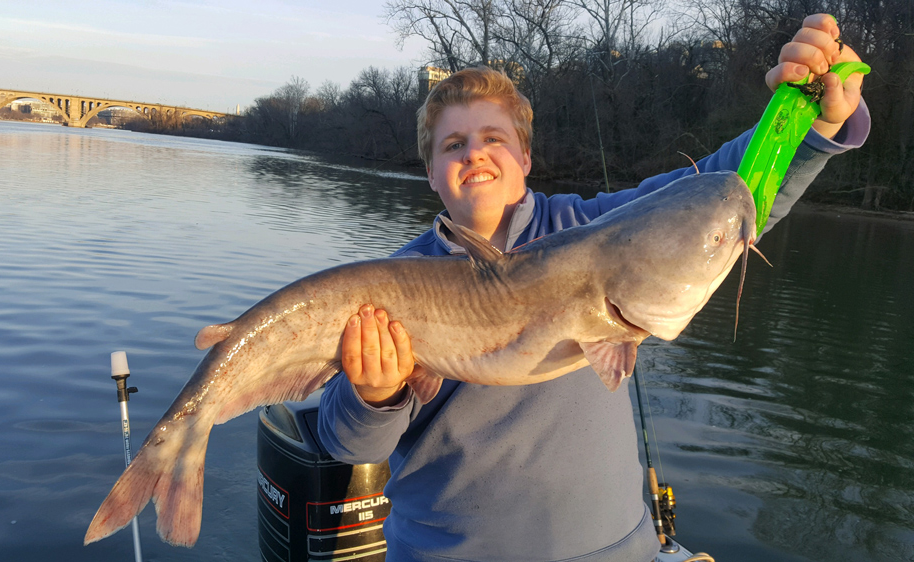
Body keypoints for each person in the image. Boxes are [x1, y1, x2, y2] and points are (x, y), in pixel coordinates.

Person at [318, 13, 869, 562]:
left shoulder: (590, 228)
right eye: (452, 145)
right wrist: (374, 395)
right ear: (432, 172)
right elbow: (348, 446)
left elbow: (716, 198)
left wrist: (805, 121)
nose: (474, 154)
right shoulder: (388, 288)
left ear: (526, 157)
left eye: (494, 138)